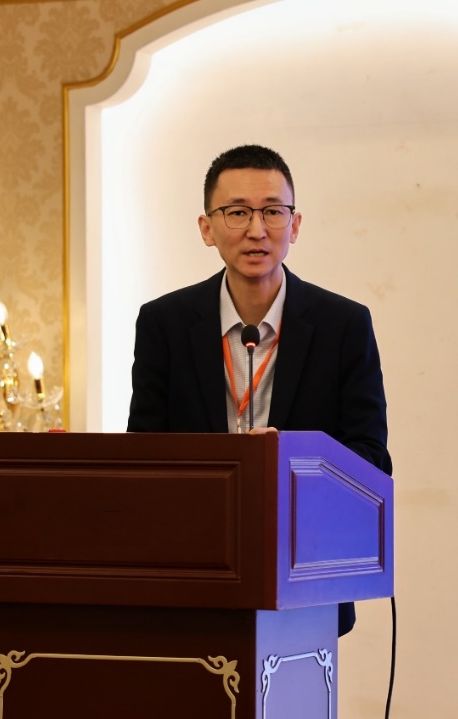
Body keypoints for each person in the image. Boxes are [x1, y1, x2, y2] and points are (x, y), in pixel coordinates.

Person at [127, 144, 392, 636]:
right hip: (194, 574)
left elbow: (372, 458)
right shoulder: (164, 323)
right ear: (207, 228)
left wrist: (291, 460)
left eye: (273, 211)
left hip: (306, 574)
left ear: (295, 225)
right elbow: (143, 453)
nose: (256, 229)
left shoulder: (343, 325)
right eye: (237, 212)